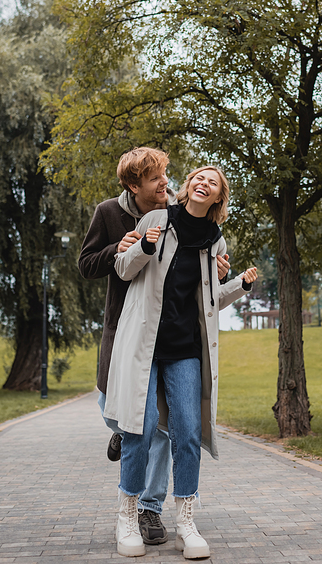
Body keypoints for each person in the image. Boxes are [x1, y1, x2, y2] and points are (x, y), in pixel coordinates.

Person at [78, 148, 231, 547]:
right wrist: (125, 247)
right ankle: (127, 489)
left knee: (169, 430)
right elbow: (89, 264)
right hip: (125, 329)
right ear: (134, 186)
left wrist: (218, 278)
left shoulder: (185, 221)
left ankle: (151, 508)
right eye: (156, 179)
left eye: (167, 176)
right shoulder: (111, 213)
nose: (166, 183)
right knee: (130, 422)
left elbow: (207, 294)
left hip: (178, 343)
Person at [104, 166, 257, 558]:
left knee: (188, 432)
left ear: (219, 197)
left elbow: (209, 301)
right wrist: (144, 247)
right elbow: (122, 269)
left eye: (214, 182)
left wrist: (240, 284)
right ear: (188, 187)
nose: (205, 183)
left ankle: (186, 522)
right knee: (141, 427)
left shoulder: (215, 243)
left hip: (184, 348)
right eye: (199, 178)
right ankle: (127, 515)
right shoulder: (156, 219)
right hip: (144, 343)